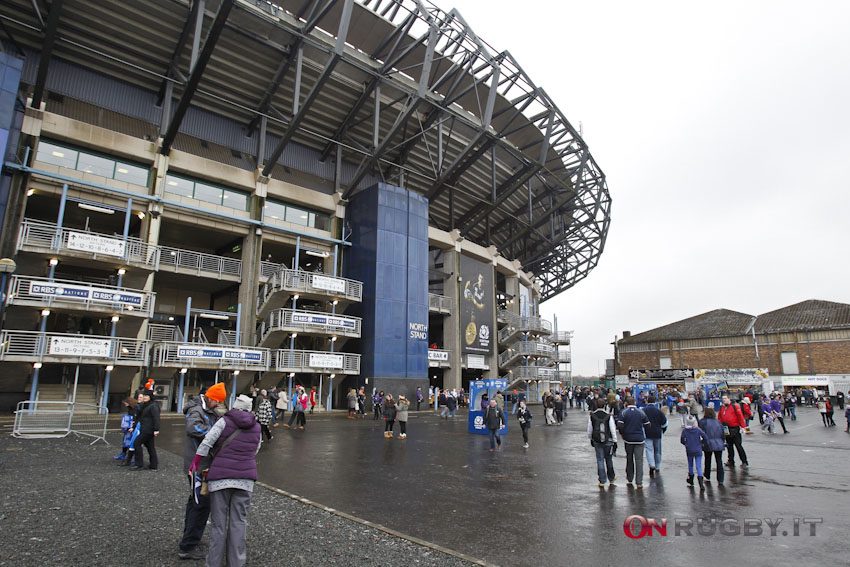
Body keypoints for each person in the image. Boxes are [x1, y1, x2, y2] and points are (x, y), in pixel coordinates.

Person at [188, 394, 261, 567]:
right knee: (239, 522)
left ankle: (213, 563)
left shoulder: (224, 421)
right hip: (245, 479)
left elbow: (207, 443)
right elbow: (255, 449)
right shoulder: (257, 426)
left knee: (218, 525)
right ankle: (236, 562)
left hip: (220, 478)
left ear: (234, 406)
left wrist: (195, 464)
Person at [178, 382, 226, 561]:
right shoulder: (197, 411)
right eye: (218, 402)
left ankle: (191, 538)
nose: (219, 405)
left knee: (195, 502)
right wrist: (215, 433)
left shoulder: (209, 411)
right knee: (201, 504)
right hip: (198, 467)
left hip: (203, 464)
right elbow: (193, 428)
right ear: (211, 397)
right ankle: (188, 546)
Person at [616, 396, 649, 489]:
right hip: (639, 439)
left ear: (626, 403)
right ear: (635, 403)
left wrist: (623, 434)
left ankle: (630, 477)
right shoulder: (641, 412)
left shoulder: (624, 412)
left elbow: (620, 425)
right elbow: (648, 424)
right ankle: (639, 482)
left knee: (629, 458)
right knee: (639, 460)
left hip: (628, 439)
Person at [588, 398, 618, 487]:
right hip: (608, 440)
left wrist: (591, 438)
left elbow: (589, 429)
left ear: (596, 405)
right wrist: (615, 440)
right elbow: (613, 429)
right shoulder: (608, 416)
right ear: (605, 405)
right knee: (609, 459)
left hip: (597, 440)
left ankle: (602, 480)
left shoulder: (592, 415)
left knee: (600, 459)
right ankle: (611, 478)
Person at [131, 388, 160, 471]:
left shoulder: (153, 406)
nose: (144, 397)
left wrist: (156, 429)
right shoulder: (146, 405)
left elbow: (156, 418)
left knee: (137, 443)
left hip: (148, 429)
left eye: (146, 396)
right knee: (150, 447)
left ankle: (139, 464)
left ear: (150, 396)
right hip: (146, 428)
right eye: (144, 395)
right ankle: (153, 465)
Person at [718, 394, 748, 468]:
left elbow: (740, 417)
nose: (724, 400)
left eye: (725, 398)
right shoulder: (722, 407)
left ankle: (744, 461)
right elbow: (720, 417)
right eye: (723, 398)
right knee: (729, 446)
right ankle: (731, 460)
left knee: (738, 445)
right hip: (726, 428)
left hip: (734, 428)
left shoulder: (735, 407)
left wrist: (743, 427)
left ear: (729, 399)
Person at [699, 406, 726, 485]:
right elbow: (722, 433)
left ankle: (707, 475)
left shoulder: (702, 422)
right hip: (718, 442)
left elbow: (701, 433)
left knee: (708, 459)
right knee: (719, 461)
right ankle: (720, 478)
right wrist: (723, 441)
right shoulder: (718, 422)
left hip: (708, 442)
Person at [643, 396, 667, 478]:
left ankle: (651, 464)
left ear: (647, 401)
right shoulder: (659, 411)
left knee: (649, 449)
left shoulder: (643, 411)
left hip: (647, 433)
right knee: (657, 450)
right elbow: (665, 423)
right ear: (655, 402)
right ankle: (657, 466)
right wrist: (662, 431)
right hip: (657, 433)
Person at [680, 415, 707, 490]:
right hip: (698, 449)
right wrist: (701, 443)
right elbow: (705, 437)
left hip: (689, 450)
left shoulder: (685, 431)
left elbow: (682, 440)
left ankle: (691, 479)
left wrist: (686, 444)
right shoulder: (698, 430)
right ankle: (701, 483)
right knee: (698, 466)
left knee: (690, 464)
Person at [114, 396, 137, 462]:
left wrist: (133, 425)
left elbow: (136, 417)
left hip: (132, 427)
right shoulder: (130, 408)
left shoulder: (134, 409)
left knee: (132, 442)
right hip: (128, 426)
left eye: (126, 403)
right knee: (126, 441)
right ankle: (123, 454)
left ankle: (133, 457)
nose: (125, 404)